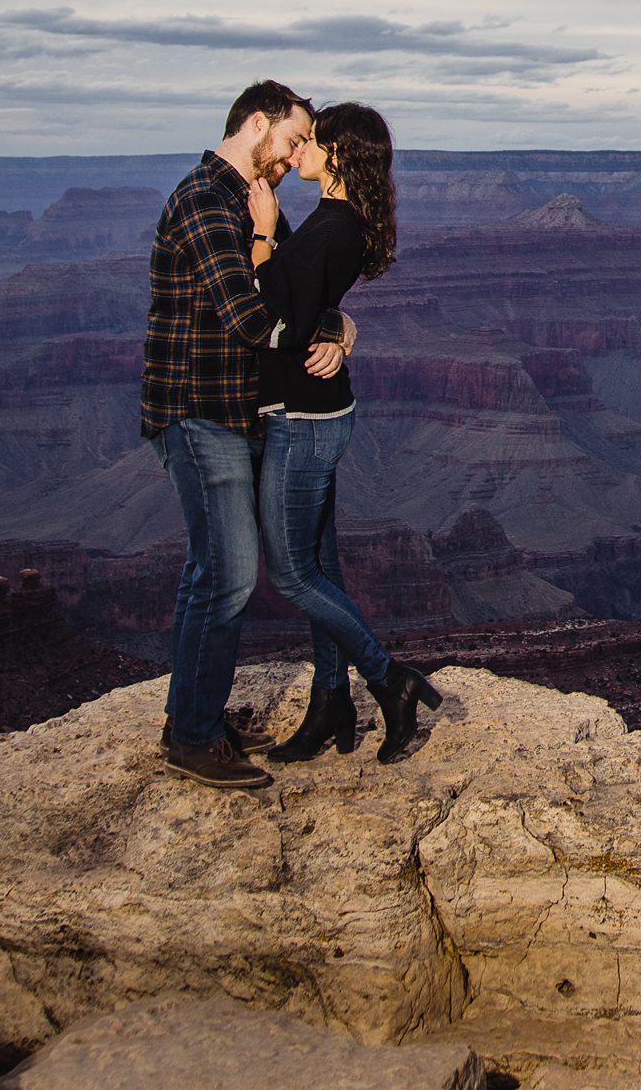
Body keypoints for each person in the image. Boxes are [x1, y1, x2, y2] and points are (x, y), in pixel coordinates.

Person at [138, 79, 321, 788]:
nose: (298, 154)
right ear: (255, 124)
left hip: (236, 412)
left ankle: (194, 718)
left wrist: (342, 327)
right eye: (294, 138)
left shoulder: (252, 202)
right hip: (198, 414)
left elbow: (300, 290)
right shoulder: (205, 201)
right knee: (231, 574)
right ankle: (192, 738)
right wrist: (267, 234)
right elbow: (251, 317)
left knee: (209, 572)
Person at [252, 100, 443, 763]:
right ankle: (331, 701)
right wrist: (339, 326)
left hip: (303, 420)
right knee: (322, 564)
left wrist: (263, 234)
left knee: (292, 573)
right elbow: (318, 308)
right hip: (319, 412)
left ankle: (389, 679)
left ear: (337, 154)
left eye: (313, 140)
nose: (300, 147)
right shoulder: (339, 222)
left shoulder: (330, 227)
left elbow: (278, 319)